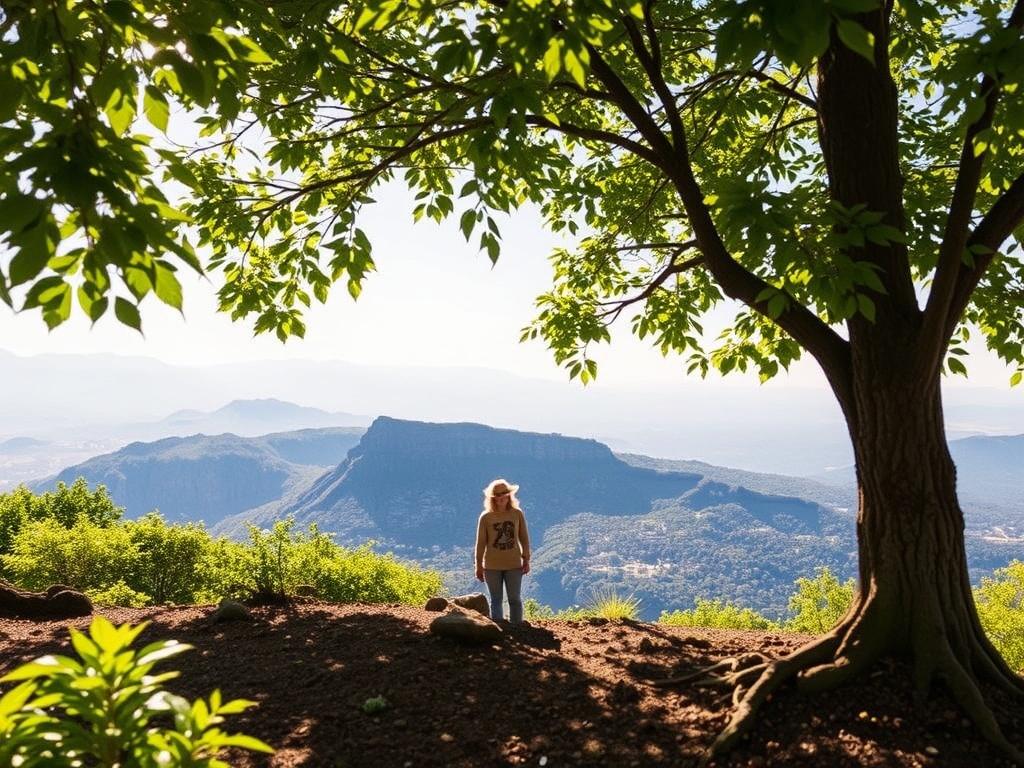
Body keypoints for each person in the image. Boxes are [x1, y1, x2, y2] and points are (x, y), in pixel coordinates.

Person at [475, 478, 531, 624]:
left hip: (514, 564)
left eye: (503, 495)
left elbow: (524, 538)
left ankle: (518, 628)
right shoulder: (486, 517)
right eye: (497, 496)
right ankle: (500, 631)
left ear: (508, 495)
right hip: (492, 566)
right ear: (492, 498)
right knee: (496, 600)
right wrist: (478, 565)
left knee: (515, 599)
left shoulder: (517, 514)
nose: (500, 498)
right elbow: (480, 543)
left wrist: (526, 559)